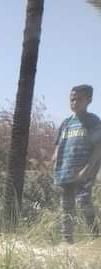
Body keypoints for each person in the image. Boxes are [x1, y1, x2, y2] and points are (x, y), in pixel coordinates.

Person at [53, 84, 101, 244]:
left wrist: (88, 169)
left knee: (83, 202)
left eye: (79, 99)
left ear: (89, 100)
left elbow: (98, 147)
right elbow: (58, 145)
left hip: (84, 171)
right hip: (65, 171)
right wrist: (55, 160)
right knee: (66, 205)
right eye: (72, 99)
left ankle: (95, 238)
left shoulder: (92, 121)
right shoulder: (66, 123)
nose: (74, 102)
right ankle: (66, 240)